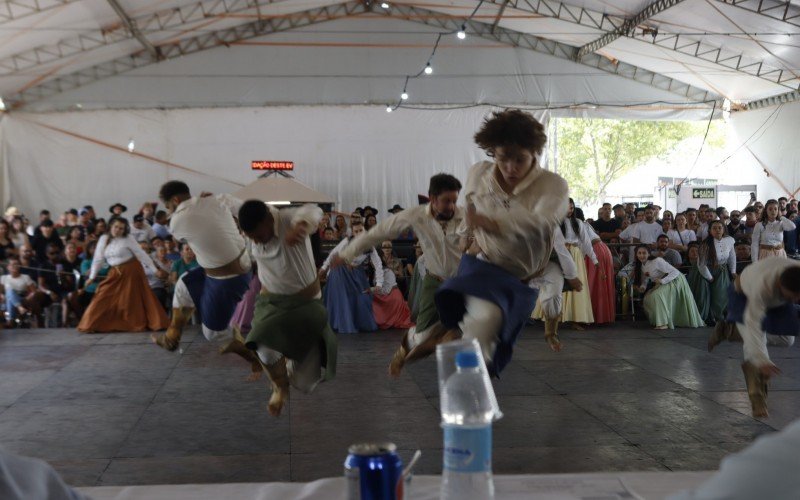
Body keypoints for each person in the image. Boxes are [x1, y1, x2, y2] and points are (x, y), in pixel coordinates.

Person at [434, 109, 568, 375]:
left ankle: (458, 346)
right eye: (504, 158)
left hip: (527, 276)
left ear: (534, 154)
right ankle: (465, 394)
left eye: (520, 160)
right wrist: (466, 234)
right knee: (485, 323)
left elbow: (541, 221)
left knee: (494, 342)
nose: (510, 168)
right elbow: (469, 210)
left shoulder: (552, 185)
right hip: (486, 266)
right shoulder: (478, 174)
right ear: (492, 151)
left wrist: (494, 223)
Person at [332, 173, 465, 373]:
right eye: (447, 201)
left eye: (455, 200)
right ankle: (406, 346)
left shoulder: (464, 216)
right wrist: (348, 253)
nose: (452, 207)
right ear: (433, 198)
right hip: (434, 281)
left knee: (464, 331)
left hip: (459, 284)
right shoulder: (416, 216)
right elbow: (379, 232)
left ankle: (460, 374)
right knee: (422, 337)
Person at [237, 200, 338, 417]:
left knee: (305, 384)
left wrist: (301, 226)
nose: (256, 241)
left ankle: (290, 366)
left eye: (258, 235)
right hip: (272, 303)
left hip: (306, 307)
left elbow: (314, 210)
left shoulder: (287, 218)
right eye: (251, 237)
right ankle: (279, 386)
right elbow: (228, 202)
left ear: (267, 220)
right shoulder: (252, 231)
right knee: (261, 343)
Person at [151, 181, 260, 378]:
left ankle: (253, 357)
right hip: (232, 270)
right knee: (184, 284)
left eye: (168, 206)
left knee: (212, 333)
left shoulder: (177, 222)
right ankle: (172, 337)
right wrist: (203, 201)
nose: (168, 211)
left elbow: (182, 231)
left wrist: (192, 206)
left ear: (175, 200)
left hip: (227, 278)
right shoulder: (218, 200)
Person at [709, 259, 800, 418]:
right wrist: (761, 360)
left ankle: (730, 331)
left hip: (777, 298)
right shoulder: (762, 288)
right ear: (780, 285)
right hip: (743, 294)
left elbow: (793, 295)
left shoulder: (793, 281)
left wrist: (791, 297)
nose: (797, 300)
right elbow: (753, 326)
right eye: (793, 296)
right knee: (757, 342)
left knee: (787, 340)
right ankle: (757, 398)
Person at [77, 217, 169, 333]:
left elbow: (141, 255)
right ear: (110, 226)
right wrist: (92, 277)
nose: (118, 230)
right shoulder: (103, 238)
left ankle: (147, 323)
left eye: (121, 228)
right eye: (116, 227)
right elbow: (98, 259)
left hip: (131, 270)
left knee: (130, 300)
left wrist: (155, 270)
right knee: (102, 293)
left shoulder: (128, 238)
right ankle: (89, 325)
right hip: (114, 272)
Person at [533, 198, 598, 327]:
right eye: (567, 207)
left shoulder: (579, 223)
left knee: (575, 288)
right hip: (558, 255)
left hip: (575, 255)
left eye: (572, 208)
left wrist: (595, 259)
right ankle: (551, 316)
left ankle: (575, 319)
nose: (569, 210)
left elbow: (586, 243)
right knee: (555, 284)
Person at [319, 221, 381, 333]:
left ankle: (356, 321)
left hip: (357, 273)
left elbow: (378, 264)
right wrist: (324, 268)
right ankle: (343, 323)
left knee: (362, 296)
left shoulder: (369, 245)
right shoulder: (347, 241)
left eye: (360, 230)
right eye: (356, 231)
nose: (358, 233)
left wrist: (379, 283)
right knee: (343, 297)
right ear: (352, 233)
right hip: (341, 271)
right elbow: (333, 253)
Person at [629, 245, 704, 330]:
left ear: (649, 254)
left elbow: (675, 272)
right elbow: (646, 279)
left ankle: (663, 323)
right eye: (639, 253)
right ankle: (660, 320)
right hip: (663, 282)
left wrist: (662, 281)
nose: (641, 255)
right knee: (648, 298)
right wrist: (642, 287)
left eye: (644, 253)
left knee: (657, 295)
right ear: (636, 254)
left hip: (675, 281)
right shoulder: (641, 266)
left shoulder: (657, 261)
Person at [698, 220, 737, 325]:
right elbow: (701, 264)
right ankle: (713, 317)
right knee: (710, 295)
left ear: (724, 229)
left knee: (722, 295)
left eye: (720, 227)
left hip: (722, 271)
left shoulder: (729, 240)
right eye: (714, 228)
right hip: (707, 272)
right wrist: (709, 277)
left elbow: (732, 257)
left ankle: (720, 316)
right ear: (710, 231)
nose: (717, 230)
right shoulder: (705, 244)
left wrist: (733, 271)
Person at [371, 241, 415, 330]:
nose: (386, 248)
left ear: (391, 248)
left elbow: (402, 277)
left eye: (388, 246)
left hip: (392, 286)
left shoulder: (397, 261)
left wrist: (395, 272)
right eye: (384, 246)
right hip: (381, 285)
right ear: (382, 249)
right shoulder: (376, 261)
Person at [69, 240, 109, 325]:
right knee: (75, 298)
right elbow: (86, 274)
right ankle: (82, 320)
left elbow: (110, 273)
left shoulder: (107, 261)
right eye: (93, 248)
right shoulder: (86, 262)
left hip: (104, 288)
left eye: (98, 247)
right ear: (89, 250)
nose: (96, 250)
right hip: (89, 289)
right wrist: (96, 267)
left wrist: (94, 271)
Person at [1, 258, 48, 327]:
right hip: (8, 299)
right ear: (8, 267)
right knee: (9, 292)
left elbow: (34, 291)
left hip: (23, 299)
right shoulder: (3, 278)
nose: (15, 266)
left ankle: (11, 320)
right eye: (13, 264)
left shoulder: (25, 277)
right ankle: (19, 308)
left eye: (17, 264)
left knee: (9, 294)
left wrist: (29, 297)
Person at [584, 222, 615, 324]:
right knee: (600, 283)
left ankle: (590, 317)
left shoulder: (577, 225)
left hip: (594, 251)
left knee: (591, 283)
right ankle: (600, 316)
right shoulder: (586, 224)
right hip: (603, 249)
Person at [685, 242, 711, 323]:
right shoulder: (684, 265)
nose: (695, 253)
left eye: (697, 251)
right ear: (688, 254)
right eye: (692, 251)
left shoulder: (706, 264)